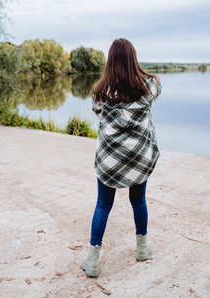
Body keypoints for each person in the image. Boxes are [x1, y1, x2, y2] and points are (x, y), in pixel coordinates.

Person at [81, 38, 162, 277]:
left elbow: (97, 112)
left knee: (103, 205)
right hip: (138, 156)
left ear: (111, 62)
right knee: (138, 201)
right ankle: (142, 248)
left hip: (111, 160)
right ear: (133, 59)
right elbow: (153, 98)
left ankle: (93, 260)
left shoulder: (100, 90)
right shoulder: (149, 85)